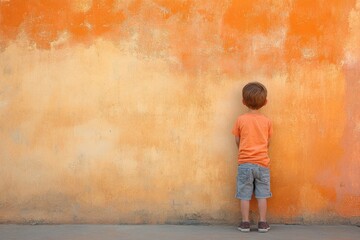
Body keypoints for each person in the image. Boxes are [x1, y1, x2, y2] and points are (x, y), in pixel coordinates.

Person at [232, 82, 273, 233]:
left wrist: (242, 150)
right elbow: (268, 142)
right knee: (262, 194)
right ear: (265, 102)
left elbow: (237, 139)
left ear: (243, 102)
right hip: (262, 163)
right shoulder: (267, 121)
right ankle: (262, 223)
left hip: (244, 163)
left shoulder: (240, 119)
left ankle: (245, 223)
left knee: (244, 194)